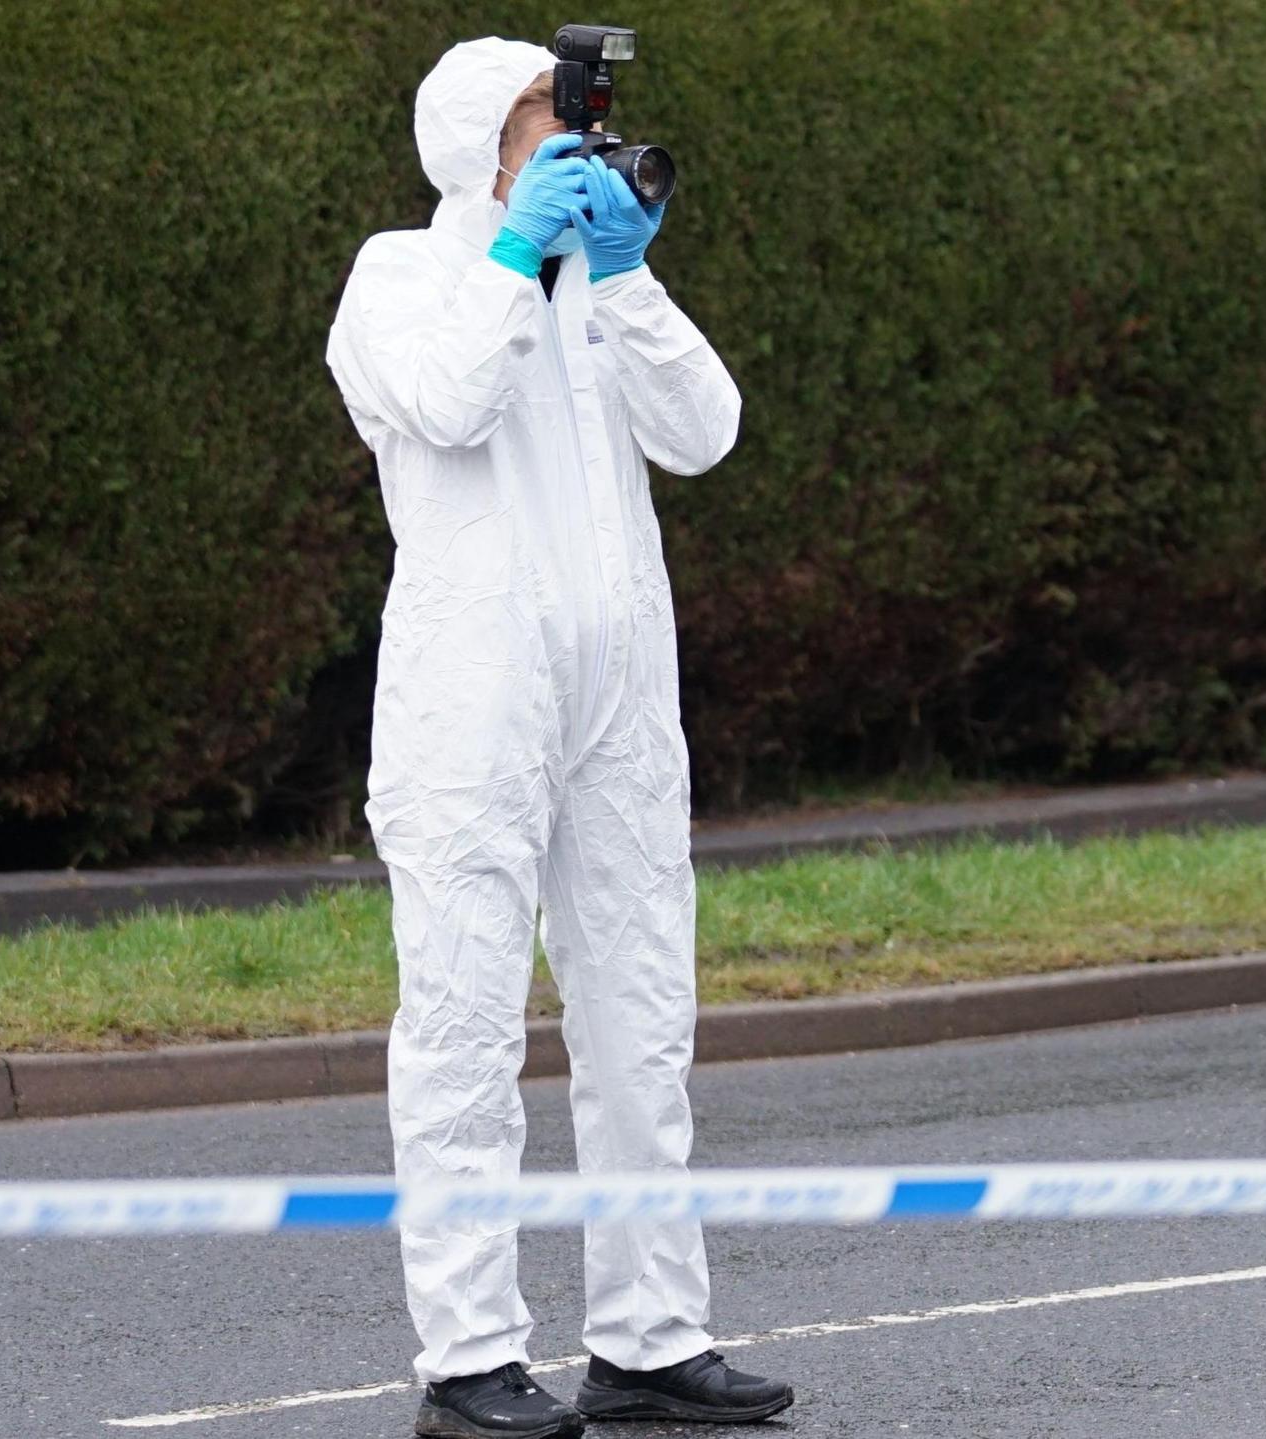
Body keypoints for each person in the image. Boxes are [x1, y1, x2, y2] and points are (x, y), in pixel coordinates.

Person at [326, 35, 792, 1439]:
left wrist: (629, 276)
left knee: (644, 1020)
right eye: (545, 117)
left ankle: (651, 1337)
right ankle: (468, 1358)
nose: (576, 143)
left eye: (581, 116)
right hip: (472, 697)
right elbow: (453, 402)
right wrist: (519, 259)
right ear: (480, 139)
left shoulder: (597, 285)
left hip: (621, 698)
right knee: (466, 1028)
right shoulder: (398, 278)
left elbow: (707, 432)